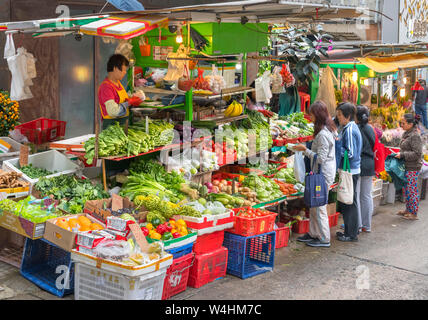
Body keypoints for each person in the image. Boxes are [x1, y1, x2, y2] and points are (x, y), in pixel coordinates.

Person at [293, 101, 337, 247]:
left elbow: (321, 158)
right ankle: (313, 234)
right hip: (318, 172)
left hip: (323, 174)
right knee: (313, 204)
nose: (309, 117)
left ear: (317, 115)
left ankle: (324, 238)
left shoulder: (324, 134)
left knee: (319, 207)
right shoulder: (324, 129)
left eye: (311, 114)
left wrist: (304, 150)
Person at [335, 102, 362, 242]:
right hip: (351, 169)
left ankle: (351, 234)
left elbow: (350, 153)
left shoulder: (350, 129)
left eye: (340, 115)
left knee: (349, 201)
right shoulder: (349, 127)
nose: (338, 117)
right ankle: (350, 231)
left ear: (348, 115)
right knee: (349, 200)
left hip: (350, 170)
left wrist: (336, 147)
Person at [98, 54, 144, 130]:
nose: (125, 72)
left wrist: (133, 98)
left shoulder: (118, 83)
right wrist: (129, 103)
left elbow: (121, 100)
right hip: (112, 128)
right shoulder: (106, 87)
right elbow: (113, 111)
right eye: (123, 70)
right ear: (115, 68)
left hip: (122, 125)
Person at [395, 114, 423, 220]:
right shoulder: (407, 133)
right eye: (400, 122)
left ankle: (414, 213)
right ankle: (408, 209)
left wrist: (402, 155)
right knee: (406, 189)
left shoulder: (415, 135)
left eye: (403, 123)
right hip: (406, 165)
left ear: (410, 124)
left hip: (413, 167)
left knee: (411, 190)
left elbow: (417, 153)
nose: (401, 125)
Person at [355, 105, 376, 233]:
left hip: (359, 163)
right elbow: (374, 144)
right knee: (366, 196)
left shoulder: (356, 129)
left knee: (357, 196)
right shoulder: (370, 128)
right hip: (369, 163)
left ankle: (357, 224)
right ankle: (366, 225)